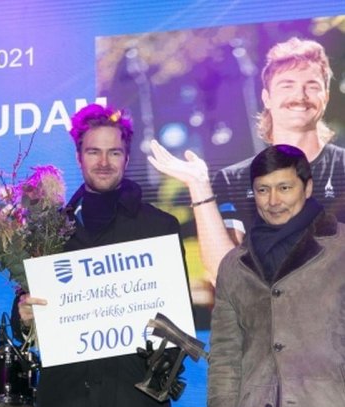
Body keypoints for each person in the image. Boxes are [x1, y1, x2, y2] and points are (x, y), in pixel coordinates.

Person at [17, 104, 184, 407]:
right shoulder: (49, 230)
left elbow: (176, 328)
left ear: (127, 157)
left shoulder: (158, 227)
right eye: (94, 151)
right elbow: (27, 309)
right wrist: (25, 315)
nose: (104, 162)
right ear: (78, 156)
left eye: (114, 152)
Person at [207, 144, 345, 407]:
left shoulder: (340, 249)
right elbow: (224, 355)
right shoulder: (234, 265)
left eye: (284, 188)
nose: (273, 201)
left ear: (307, 187)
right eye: (263, 190)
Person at [148, 37, 345, 283]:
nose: (300, 95)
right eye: (287, 85)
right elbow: (222, 274)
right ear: (267, 98)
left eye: (312, 86)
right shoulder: (234, 180)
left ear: (325, 96)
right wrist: (198, 186)